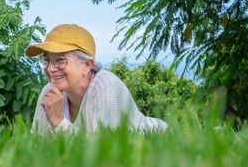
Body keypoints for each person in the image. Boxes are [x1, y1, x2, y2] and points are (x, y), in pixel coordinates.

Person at [25, 24, 168, 135]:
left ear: (87, 65)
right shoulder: (49, 92)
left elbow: (105, 156)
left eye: (60, 60)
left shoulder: (107, 88)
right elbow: (38, 143)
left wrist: (58, 122)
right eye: (47, 60)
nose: (50, 68)